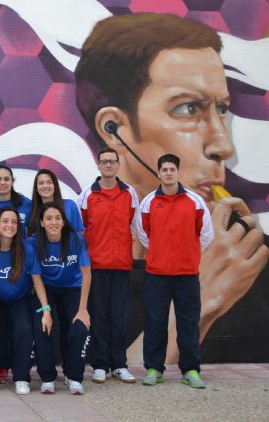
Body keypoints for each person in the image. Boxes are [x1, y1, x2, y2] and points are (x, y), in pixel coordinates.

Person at [74, 12, 269, 362]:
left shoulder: (251, 258)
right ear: (114, 129)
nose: (223, 145)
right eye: (188, 108)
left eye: (221, 109)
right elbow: (107, 399)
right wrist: (201, 298)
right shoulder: (80, 270)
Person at [136, 154, 213, 388]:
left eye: (172, 169)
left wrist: (187, 252)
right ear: (158, 173)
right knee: (155, 322)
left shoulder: (195, 202)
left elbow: (206, 235)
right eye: (164, 169)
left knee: (188, 322)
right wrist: (161, 252)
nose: (168, 173)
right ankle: (153, 369)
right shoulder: (148, 203)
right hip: (157, 274)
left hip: (187, 274)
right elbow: (143, 235)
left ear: (178, 173)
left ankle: (190, 370)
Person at [0, 206, 52, 395]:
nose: (10, 225)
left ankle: (21, 377)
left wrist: (46, 310)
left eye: (14, 222)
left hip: (18, 298)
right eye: (5, 221)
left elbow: (37, 281)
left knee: (25, 330)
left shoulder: (27, 249)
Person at [76, 147, 138, 384]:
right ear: (98, 165)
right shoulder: (87, 195)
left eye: (113, 161)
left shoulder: (130, 193)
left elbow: (137, 227)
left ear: (118, 165)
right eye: (105, 161)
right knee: (99, 317)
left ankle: (119, 365)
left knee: (119, 317)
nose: (109, 165)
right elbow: (80, 232)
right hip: (96, 267)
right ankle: (100, 365)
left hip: (121, 266)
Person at [29, 202, 92, 395]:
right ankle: (47, 378)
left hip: (72, 288)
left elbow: (86, 274)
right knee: (42, 326)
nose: (53, 222)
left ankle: (73, 376)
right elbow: (37, 278)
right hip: (45, 290)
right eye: (48, 218)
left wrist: (83, 309)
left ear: (64, 222)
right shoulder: (33, 242)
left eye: (57, 218)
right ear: (41, 222)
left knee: (79, 328)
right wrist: (45, 310)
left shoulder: (75, 239)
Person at [27, 168, 84, 237]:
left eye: (49, 182)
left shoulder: (69, 205)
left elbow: (80, 233)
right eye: (41, 183)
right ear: (36, 188)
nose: (45, 186)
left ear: (55, 186)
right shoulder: (31, 209)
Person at [0, 165, 32, 237]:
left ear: (12, 182)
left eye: (6, 179)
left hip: (20, 248)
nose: (2, 182)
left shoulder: (27, 203)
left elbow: (32, 232)